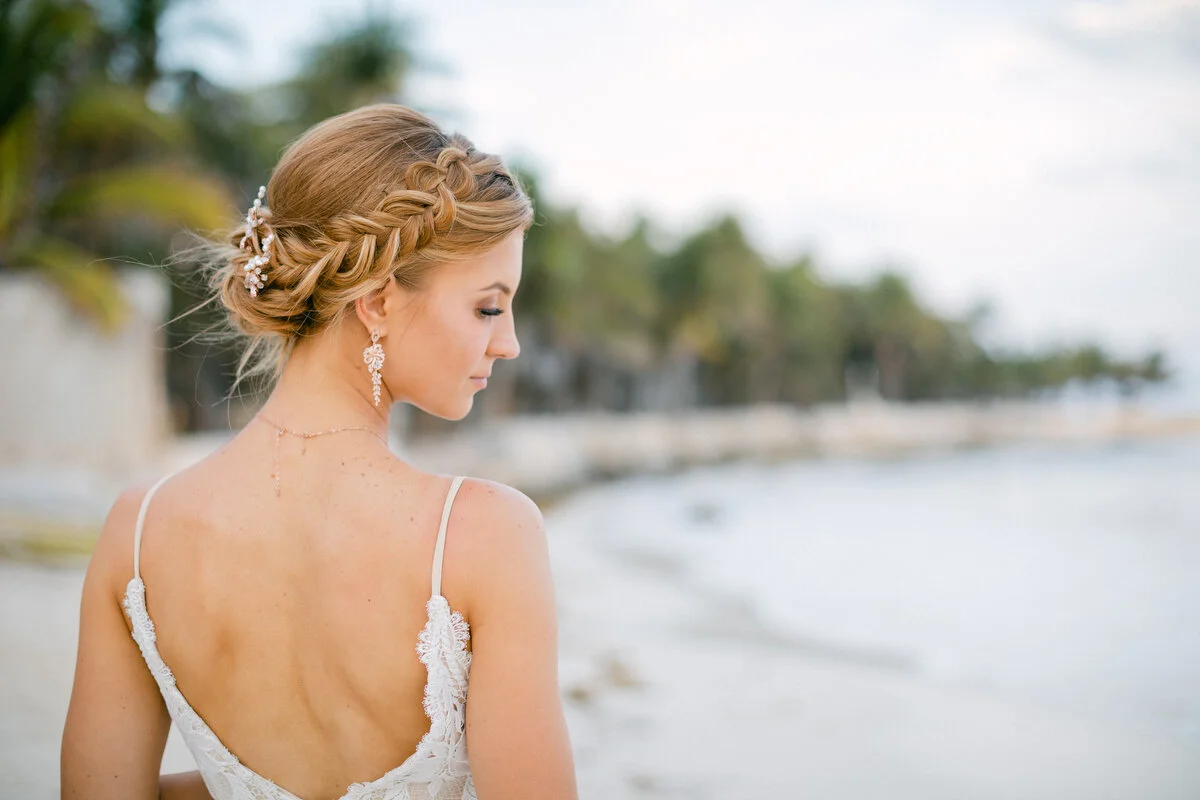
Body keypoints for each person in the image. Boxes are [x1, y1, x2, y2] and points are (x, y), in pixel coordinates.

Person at [60, 104, 578, 800]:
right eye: (488, 306)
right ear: (379, 301)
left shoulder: (139, 533)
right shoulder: (482, 535)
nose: (508, 342)